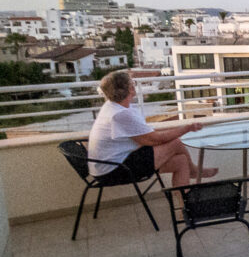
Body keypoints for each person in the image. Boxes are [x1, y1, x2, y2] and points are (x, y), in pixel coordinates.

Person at [88, 70, 217, 187]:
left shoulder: (114, 106)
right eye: (131, 83)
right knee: (176, 143)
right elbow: (154, 140)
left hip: (111, 164)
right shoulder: (120, 114)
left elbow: (148, 135)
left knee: (181, 161)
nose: (133, 85)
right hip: (113, 170)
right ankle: (194, 171)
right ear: (129, 89)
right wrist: (187, 128)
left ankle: (185, 208)